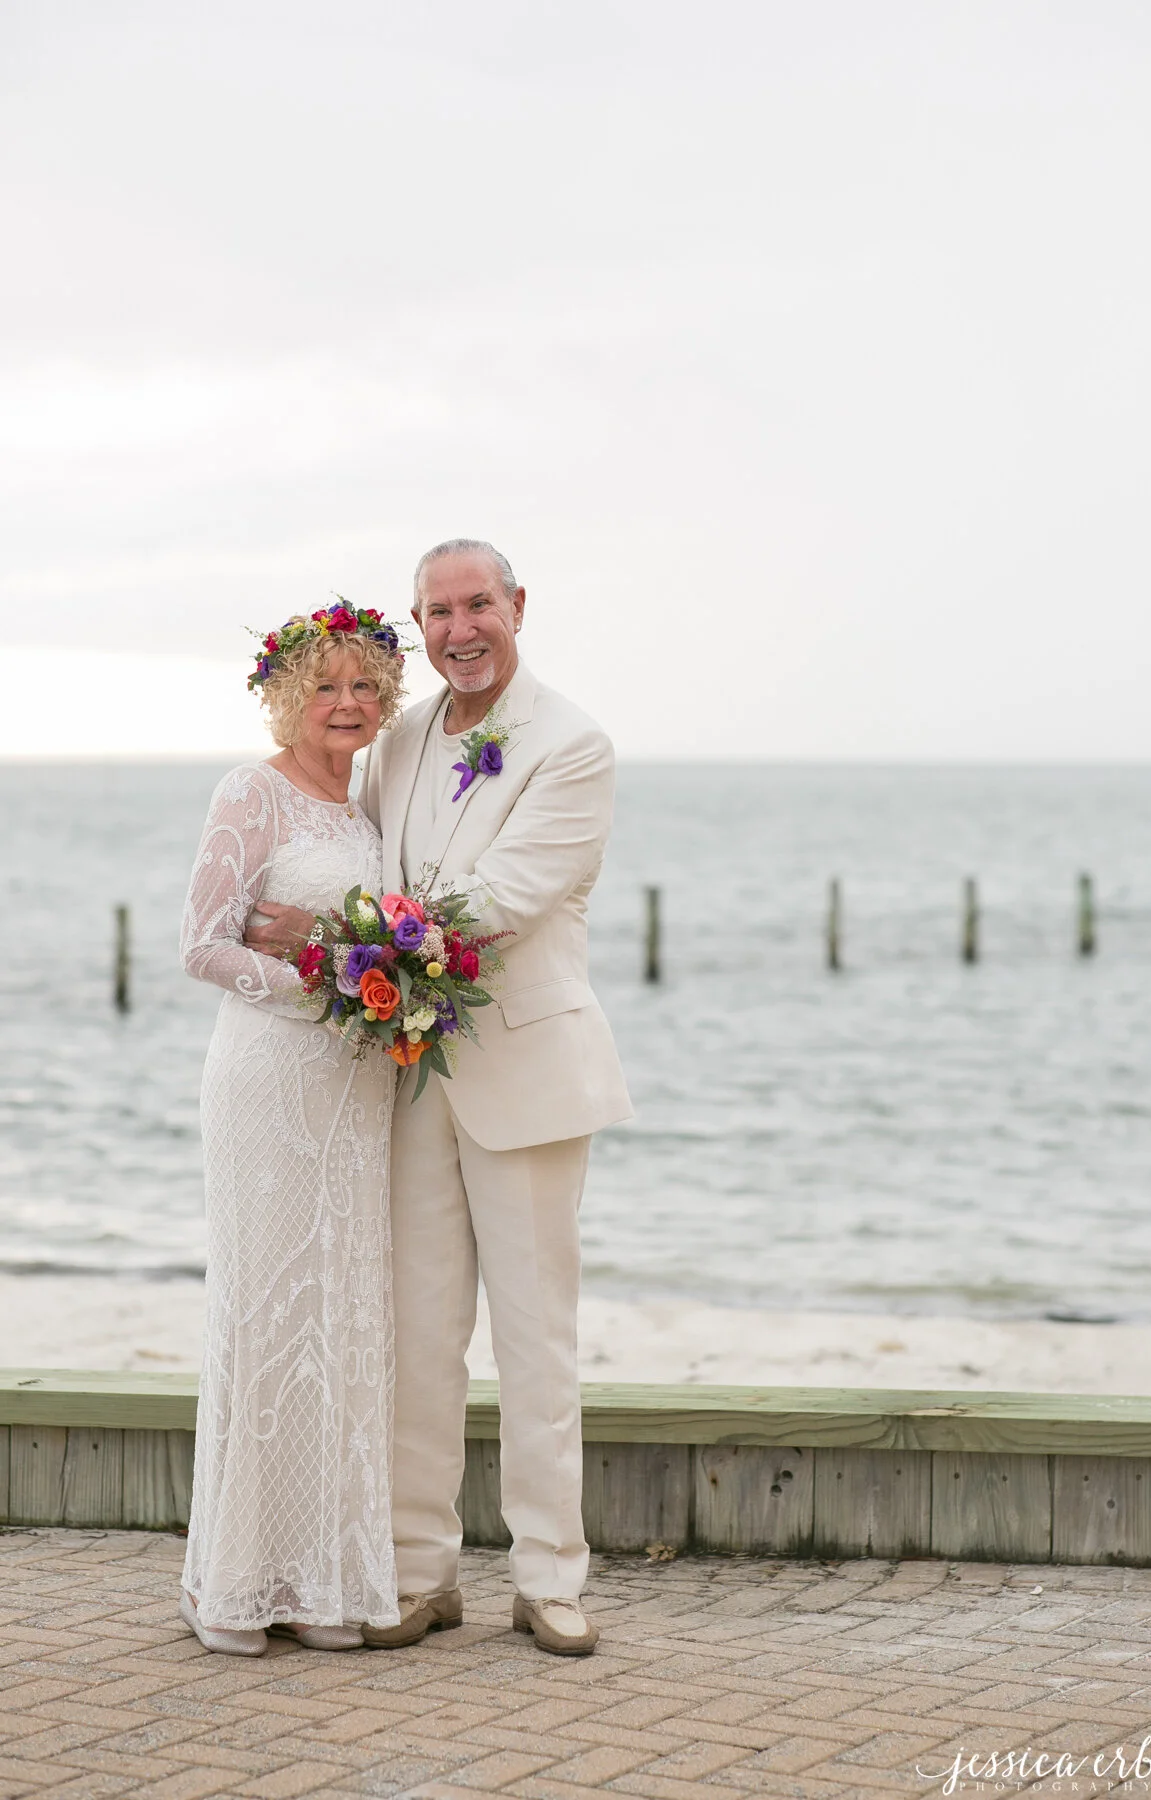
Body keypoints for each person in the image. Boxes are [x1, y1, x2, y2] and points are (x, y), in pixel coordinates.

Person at [360, 539, 631, 1655]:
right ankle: (419, 1574)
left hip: (525, 1071)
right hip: (414, 1076)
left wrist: (347, 945)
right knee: (416, 1339)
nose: (459, 629)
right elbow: (367, 853)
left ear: (518, 607)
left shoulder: (573, 744)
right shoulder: (404, 736)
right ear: (416, 625)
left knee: (535, 1342)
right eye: (438, 611)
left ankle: (550, 1578)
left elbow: (504, 901)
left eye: (478, 605)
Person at [179, 604, 408, 1655]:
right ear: (287, 695)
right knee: (269, 1311)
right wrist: (321, 978)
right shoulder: (251, 791)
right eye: (328, 687)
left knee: (338, 1316)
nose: (349, 704)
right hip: (271, 1078)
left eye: (365, 687)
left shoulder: (363, 809)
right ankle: (238, 1583)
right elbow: (203, 946)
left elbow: (366, 939)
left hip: (355, 1093)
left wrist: (362, 962)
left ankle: (318, 1581)